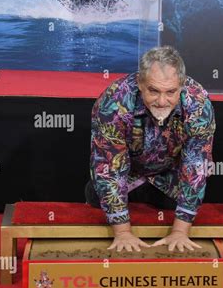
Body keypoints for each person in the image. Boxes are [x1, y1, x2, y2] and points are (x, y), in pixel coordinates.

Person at [85, 46, 215, 252]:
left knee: (178, 202)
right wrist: (123, 233)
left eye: (171, 92)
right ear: (140, 83)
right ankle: (131, 199)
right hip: (127, 174)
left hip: (168, 176)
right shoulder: (114, 100)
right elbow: (110, 166)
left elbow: (196, 165)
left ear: (181, 85)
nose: (162, 101)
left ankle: (146, 195)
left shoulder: (198, 103)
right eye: (154, 91)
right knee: (95, 196)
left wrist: (180, 232)